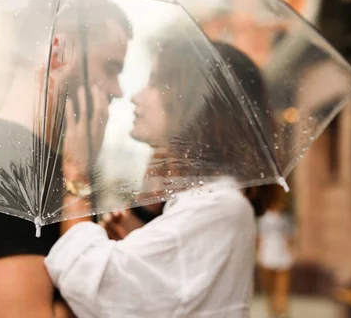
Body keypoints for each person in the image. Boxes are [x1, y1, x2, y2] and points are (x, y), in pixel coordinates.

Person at [0, 0, 132, 318]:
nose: (118, 91)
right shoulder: (3, 170)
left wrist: (96, 253)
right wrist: (98, 282)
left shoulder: (45, 163)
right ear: (59, 53)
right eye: (110, 68)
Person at [45, 40, 277, 317]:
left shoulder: (218, 205)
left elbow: (92, 282)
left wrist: (76, 174)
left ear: (195, 102)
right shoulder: (212, 202)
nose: (136, 96)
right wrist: (138, 242)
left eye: (155, 83)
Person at [257, 186, 294, 318]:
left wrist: (291, 251)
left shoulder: (286, 220)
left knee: (282, 287)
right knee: (269, 288)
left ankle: (281, 310)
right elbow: (259, 238)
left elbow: (290, 238)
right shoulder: (263, 220)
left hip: (282, 256)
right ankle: (272, 310)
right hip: (267, 256)